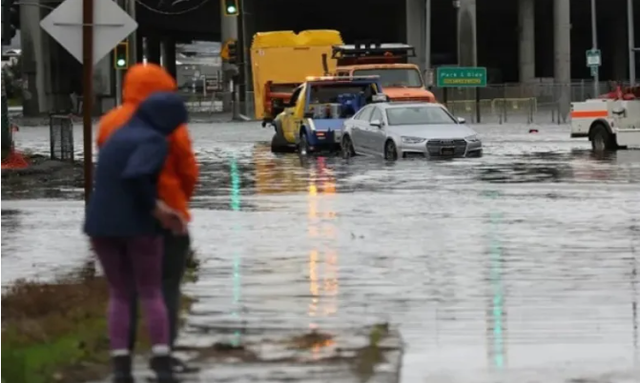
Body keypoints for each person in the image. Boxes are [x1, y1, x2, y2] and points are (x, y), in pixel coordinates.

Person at [97, 63, 199, 373]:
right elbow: (188, 170)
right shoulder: (169, 125)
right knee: (164, 287)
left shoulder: (110, 122)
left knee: (122, 291)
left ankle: (122, 362)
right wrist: (179, 204)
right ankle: (163, 357)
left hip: (119, 218)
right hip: (164, 217)